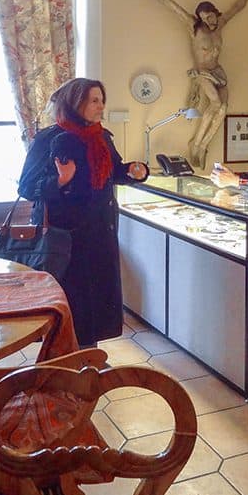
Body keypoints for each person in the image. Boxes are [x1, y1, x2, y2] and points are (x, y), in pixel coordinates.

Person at [17, 78, 149, 347]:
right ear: (76, 103)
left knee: (96, 301)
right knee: (70, 299)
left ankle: (88, 357)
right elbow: (27, 187)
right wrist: (60, 181)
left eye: (102, 100)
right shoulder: (48, 139)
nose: (101, 107)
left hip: (100, 233)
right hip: (64, 238)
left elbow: (114, 172)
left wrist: (134, 172)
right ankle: (63, 360)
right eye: (94, 101)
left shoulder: (101, 138)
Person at [130, 0, 248, 169]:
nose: (209, 21)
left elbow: (236, 7)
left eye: (211, 16)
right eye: (205, 19)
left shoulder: (221, 23)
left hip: (218, 71)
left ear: (215, 14)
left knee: (223, 108)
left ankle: (203, 144)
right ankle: (196, 144)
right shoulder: (194, 28)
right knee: (215, 103)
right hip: (202, 74)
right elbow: (165, 0)